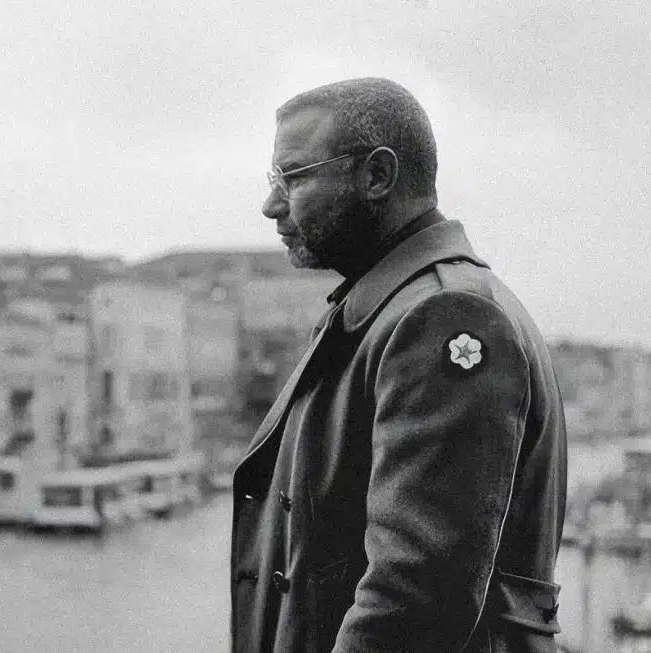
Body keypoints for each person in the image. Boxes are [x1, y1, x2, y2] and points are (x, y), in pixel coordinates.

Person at [230, 78, 567, 653]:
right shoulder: (396, 310)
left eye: (294, 177)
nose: (271, 205)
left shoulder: (441, 317)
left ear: (378, 176)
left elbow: (414, 600)